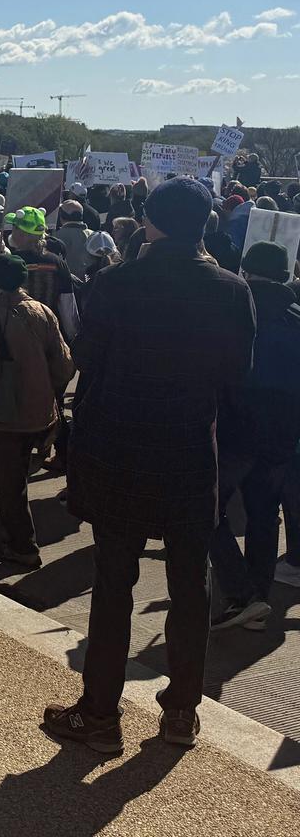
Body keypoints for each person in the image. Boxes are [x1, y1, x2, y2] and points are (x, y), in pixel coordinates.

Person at [45, 177, 256, 755]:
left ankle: (100, 714)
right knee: (191, 586)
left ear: (152, 222)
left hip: (120, 450)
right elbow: (237, 376)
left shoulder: (117, 281)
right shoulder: (232, 289)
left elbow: (87, 358)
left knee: (114, 583)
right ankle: (181, 713)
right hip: (190, 448)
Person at [209, 241, 300, 631]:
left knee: (206, 511)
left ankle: (241, 591)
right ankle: (258, 600)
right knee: (264, 515)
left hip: (234, 430)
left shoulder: (232, 307)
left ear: (247, 269)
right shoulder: (296, 317)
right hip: (282, 434)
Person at [0, 253, 73, 568]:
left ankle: (21, 545)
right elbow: (65, 363)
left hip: (8, 414)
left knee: (11, 484)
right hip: (43, 409)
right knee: (23, 473)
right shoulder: (43, 311)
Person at [54, 200, 94, 281]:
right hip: (91, 284)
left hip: (67, 283)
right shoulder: (93, 235)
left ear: (61, 216)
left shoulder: (55, 237)